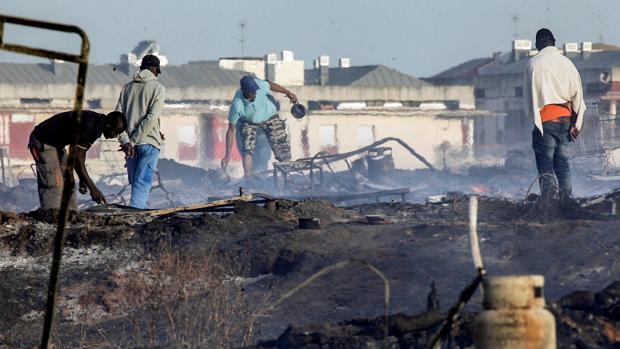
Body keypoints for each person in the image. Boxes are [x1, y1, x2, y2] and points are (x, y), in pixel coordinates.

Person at [524, 28, 585, 199]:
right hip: (565, 121)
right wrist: (575, 124)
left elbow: (529, 100)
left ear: (537, 45)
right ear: (554, 42)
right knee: (563, 165)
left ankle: (549, 203)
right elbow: (578, 96)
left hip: (546, 121)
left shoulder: (533, 64)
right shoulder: (568, 63)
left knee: (546, 166)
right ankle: (566, 201)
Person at [28, 110, 127, 209]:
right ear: (109, 125)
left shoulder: (97, 125)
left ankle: (71, 215)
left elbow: (80, 154)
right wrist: (93, 189)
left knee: (69, 181)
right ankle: (52, 218)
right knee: (54, 182)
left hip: (57, 144)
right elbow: (77, 160)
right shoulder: (90, 125)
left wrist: (82, 178)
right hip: (42, 141)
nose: (115, 136)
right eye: (115, 132)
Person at [221, 75, 297, 179]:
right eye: (251, 92)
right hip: (249, 121)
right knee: (247, 149)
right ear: (244, 91)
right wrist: (227, 155)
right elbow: (230, 130)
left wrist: (288, 92)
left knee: (282, 149)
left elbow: (269, 84)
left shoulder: (260, 85)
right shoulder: (237, 104)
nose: (255, 94)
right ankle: (248, 179)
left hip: (269, 115)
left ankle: (289, 178)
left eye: (255, 91)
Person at [116, 54, 165, 208]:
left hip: (130, 147)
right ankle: (135, 215)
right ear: (155, 69)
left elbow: (117, 119)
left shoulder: (127, 88)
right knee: (142, 182)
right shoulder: (158, 88)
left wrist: (126, 142)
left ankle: (136, 210)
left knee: (135, 182)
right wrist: (133, 141)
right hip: (148, 143)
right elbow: (151, 118)